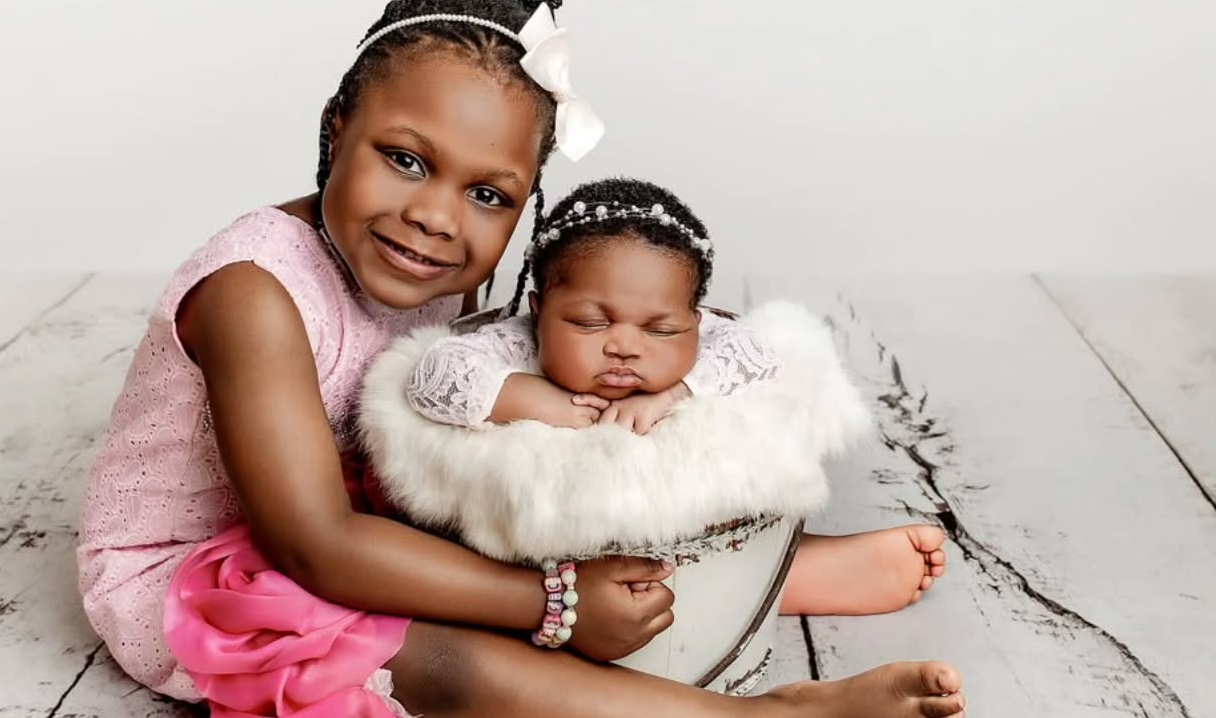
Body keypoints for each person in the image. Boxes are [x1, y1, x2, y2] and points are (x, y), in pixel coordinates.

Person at [76, 0, 966, 718]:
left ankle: (739, 575)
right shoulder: (253, 293)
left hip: (359, 512)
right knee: (445, 664)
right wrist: (554, 603)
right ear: (336, 129)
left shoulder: (423, 261)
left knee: (540, 447)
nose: (436, 217)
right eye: (405, 160)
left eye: (487, 194)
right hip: (224, 576)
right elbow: (314, 546)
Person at [402, 175, 948, 617]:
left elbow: (756, 352)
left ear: (695, 321)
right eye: (589, 322)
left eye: (661, 330)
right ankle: (778, 581)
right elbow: (432, 377)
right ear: (539, 310)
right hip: (540, 544)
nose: (624, 346)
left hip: (680, 519)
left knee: (701, 534)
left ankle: (780, 578)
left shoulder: (711, 339)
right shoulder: (514, 342)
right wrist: (535, 400)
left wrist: (676, 393)